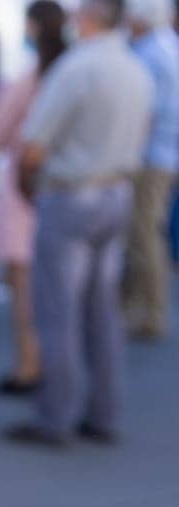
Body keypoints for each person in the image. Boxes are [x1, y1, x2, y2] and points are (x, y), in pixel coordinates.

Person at [7, 0, 154, 448]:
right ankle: (103, 411)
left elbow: (33, 144)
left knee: (60, 310)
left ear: (88, 17)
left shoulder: (77, 68)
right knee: (101, 308)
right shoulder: (136, 68)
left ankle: (57, 416)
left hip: (73, 193)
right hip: (116, 190)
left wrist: (28, 185)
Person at [0, 1, 68, 397]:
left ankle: (29, 366)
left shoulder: (29, 79)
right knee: (64, 292)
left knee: (25, 290)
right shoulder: (71, 72)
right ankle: (55, 367)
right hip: (68, 188)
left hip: (26, 191)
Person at [124, 0, 179, 341]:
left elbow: (144, 111)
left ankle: (151, 311)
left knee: (145, 234)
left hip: (151, 156)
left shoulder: (149, 52)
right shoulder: (168, 46)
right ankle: (136, 304)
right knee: (145, 232)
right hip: (164, 154)